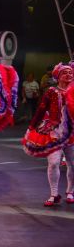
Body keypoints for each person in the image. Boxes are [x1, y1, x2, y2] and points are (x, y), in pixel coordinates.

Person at [23, 62, 73, 206]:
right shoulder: (51, 91)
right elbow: (41, 109)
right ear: (58, 76)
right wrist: (31, 127)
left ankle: (70, 191)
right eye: (65, 72)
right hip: (54, 132)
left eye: (70, 72)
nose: (68, 74)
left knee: (72, 163)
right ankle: (54, 194)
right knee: (53, 163)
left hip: (72, 132)